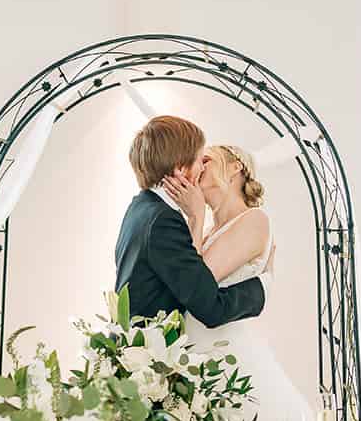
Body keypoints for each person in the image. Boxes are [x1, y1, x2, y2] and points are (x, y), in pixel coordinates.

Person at [160, 143, 307, 421]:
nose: (197, 168)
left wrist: (196, 216)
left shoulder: (254, 220)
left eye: (206, 160)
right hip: (193, 357)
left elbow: (197, 281)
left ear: (236, 167)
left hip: (227, 360)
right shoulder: (208, 233)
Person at [113, 116, 267, 329]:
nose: (202, 168)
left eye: (206, 161)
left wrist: (195, 218)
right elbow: (206, 303)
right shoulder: (163, 221)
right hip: (155, 343)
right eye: (199, 160)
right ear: (180, 168)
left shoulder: (140, 207)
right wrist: (262, 288)